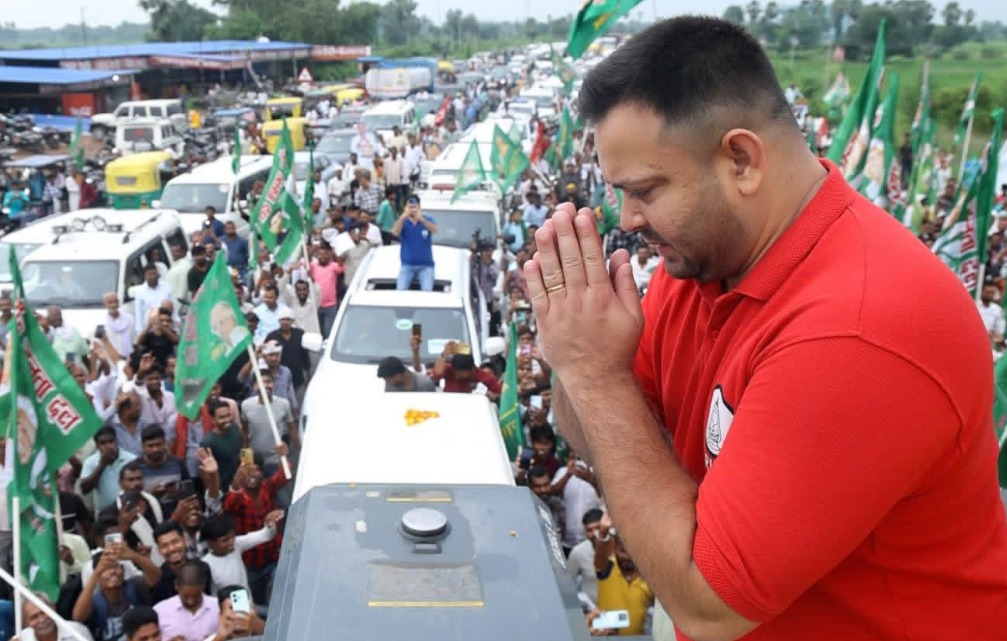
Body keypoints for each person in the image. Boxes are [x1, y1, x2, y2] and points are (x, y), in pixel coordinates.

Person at [525, 16, 1007, 641]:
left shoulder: (857, 330)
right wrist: (578, 354)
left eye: (644, 190)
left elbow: (708, 604)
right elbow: (602, 435)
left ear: (742, 160)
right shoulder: (700, 264)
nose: (627, 219)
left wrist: (594, 373)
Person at [391, 194, 438, 291]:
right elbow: (395, 232)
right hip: (407, 265)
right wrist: (403, 217)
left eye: (414, 206)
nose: (412, 209)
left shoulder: (427, 219)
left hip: (426, 266)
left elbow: (435, 230)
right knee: (400, 290)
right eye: (410, 207)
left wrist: (421, 219)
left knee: (427, 291)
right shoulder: (402, 221)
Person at [15, 594, 94, 641]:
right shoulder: (21, 639)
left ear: (53, 609)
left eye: (44, 612)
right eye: (34, 617)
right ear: (25, 622)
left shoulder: (77, 631)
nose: (42, 619)